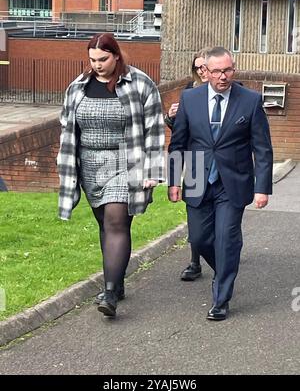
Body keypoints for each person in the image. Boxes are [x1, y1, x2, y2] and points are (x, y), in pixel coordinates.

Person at [57, 33, 165, 318]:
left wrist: (153, 171)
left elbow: (154, 128)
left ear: (116, 55)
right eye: (92, 60)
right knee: (105, 224)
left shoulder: (140, 84)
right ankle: (116, 282)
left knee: (117, 221)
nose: (97, 65)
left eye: (103, 59)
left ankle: (109, 294)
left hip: (125, 161)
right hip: (89, 164)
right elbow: (67, 127)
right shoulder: (78, 87)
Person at [168, 46, 273, 320]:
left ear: (233, 69)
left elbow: (262, 148)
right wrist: (173, 181)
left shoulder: (250, 100)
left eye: (228, 70)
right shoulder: (189, 99)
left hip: (233, 182)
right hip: (196, 178)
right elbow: (177, 143)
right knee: (200, 239)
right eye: (216, 71)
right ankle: (225, 267)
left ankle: (221, 298)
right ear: (205, 72)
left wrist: (262, 187)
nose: (223, 76)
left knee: (226, 239)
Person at [165, 49, 210, 282]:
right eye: (198, 67)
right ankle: (195, 262)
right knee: (194, 215)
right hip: (194, 162)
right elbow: (180, 134)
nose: (202, 70)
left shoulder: (231, 91)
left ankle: (227, 251)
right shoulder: (189, 93)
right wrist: (171, 118)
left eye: (205, 66)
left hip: (219, 164)